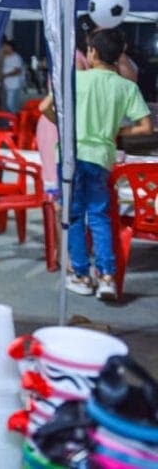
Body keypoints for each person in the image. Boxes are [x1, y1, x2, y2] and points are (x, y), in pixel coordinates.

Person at [41, 29, 152, 301]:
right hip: (102, 157)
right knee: (100, 217)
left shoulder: (74, 79)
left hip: (71, 157)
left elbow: (45, 108)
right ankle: (106, 277)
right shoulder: (126, 86)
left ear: (92, 53)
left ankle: (81, 274)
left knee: (75, 216)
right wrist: (117, 133)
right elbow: (146, 127)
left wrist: (66, 126)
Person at [0, 37, 25, 113]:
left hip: (14, 85)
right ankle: (10, 120)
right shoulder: (5, 57)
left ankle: (14, 120)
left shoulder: (16, 57)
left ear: (10, 47)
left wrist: (5, 75)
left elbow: (17, 71)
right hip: (6, 84)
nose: (4, 48)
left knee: (11, 104)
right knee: (6, 104)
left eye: (5, 46)